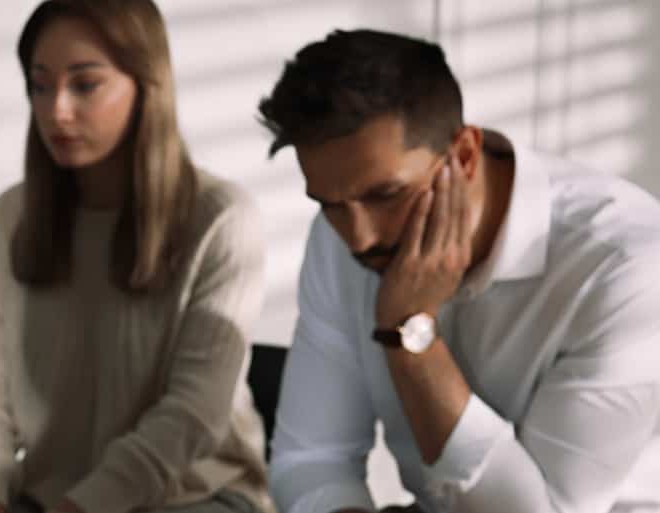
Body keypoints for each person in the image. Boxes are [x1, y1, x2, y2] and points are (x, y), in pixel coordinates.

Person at [259, 29, 660, 513]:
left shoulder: (624, 267)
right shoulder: (341, 236)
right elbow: (311, 459)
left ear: (465, 154)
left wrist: (411, 337)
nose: (358, 237)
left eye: (386, 195)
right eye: (329, 204)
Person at [0, 2, 272, 513]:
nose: (57, 110)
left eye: (85, 85)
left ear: (146, 85)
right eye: (40, 85)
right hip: (51, 499)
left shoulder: (221, 218)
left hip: (195, 497)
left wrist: (81, 507)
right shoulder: (12, 216)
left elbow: (192, 415)